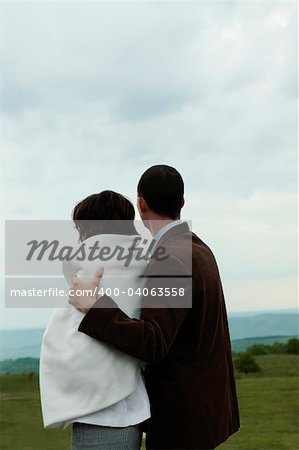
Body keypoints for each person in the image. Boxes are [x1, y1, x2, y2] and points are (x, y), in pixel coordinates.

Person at [69, 165, 240, 450]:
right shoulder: (199, 248)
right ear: (181, 203)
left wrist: (95, 307)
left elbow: (154, 341)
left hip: (182, 420)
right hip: (204, 410)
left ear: (141, 203)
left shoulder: (169, 257)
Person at [39, 191, 151, 450]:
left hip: (97, 410)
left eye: (81, 228)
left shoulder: (87, 261)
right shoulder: (146, 260)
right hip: (132, 399)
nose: (80, 236)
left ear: (92, 227)